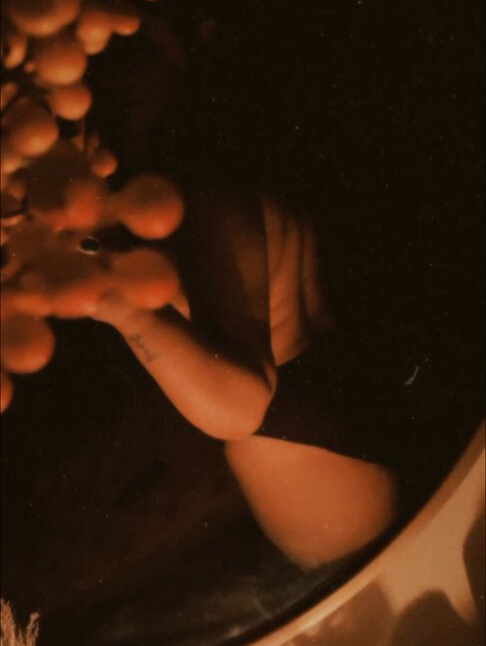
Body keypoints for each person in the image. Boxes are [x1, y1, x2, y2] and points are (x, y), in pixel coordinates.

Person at [90, 188, 399, 569]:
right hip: (321, 386)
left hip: (297, 423)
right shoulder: (209, 197)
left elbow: (239, 410)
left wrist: (117, 303)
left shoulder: (208, 201)